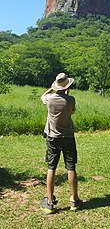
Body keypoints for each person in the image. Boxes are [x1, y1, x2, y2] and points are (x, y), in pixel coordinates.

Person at [40, 72, 81, 214]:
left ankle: (50, 201)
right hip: (68, 137)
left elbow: (42, 97)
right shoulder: (71, 100)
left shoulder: (50, 99)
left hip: (52, 138)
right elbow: (72, 112)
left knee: (51, 168)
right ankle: (74, 200)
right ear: (67, 86)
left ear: (56, 85)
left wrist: (52, 88)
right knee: (71, 167)